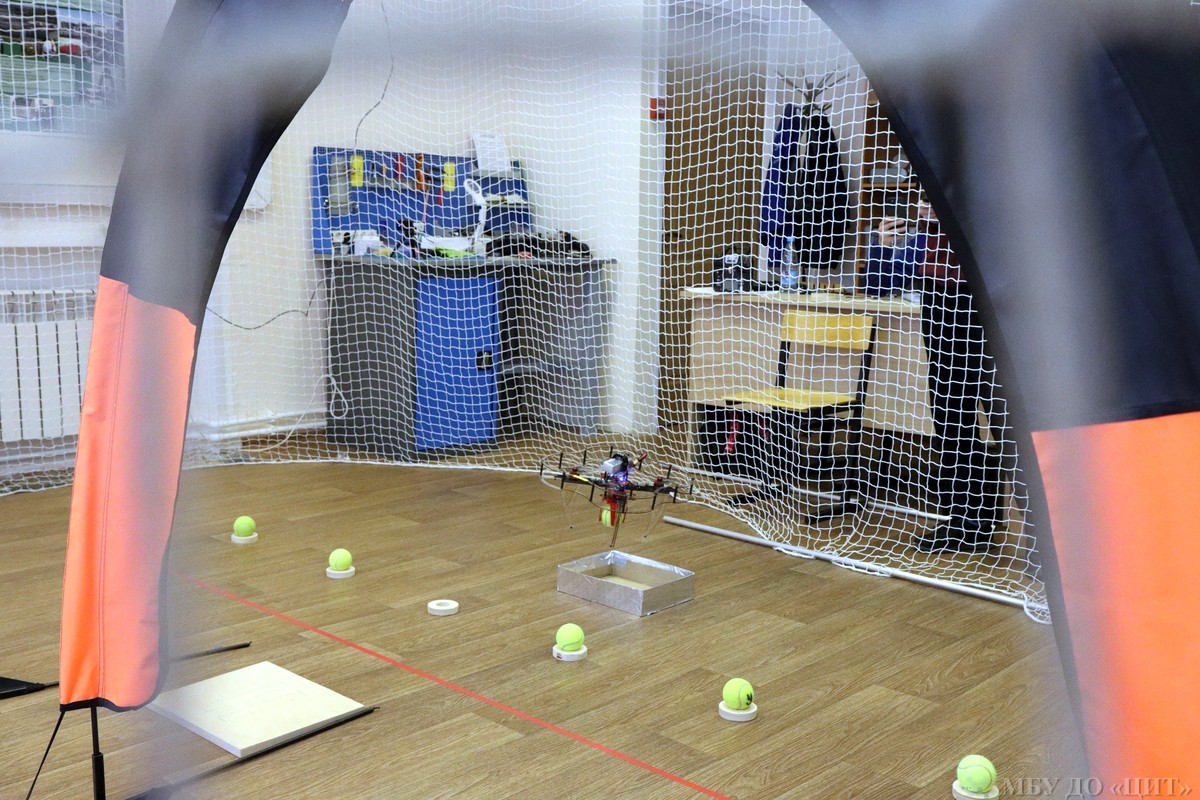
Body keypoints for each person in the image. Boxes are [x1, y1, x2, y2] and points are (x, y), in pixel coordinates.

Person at [905, 198, 1007, 552]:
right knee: (948, 406)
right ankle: (965, 520)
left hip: (980, 285)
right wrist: (923, 214)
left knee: (998, 407)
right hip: (938, 286)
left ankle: (1038, 526)